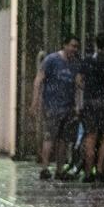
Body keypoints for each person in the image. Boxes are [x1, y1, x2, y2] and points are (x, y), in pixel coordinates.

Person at [31, 35, 82, 180]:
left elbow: (78, 85)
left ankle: (60, 170)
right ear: (64, 45)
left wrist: (78, 104)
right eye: (72, 46)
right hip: (52, 106)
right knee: (49, 137)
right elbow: (39, 79)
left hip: (68, 107)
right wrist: (35, 101)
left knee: (63, 140)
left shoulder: (75, 63)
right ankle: (45, 168)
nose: (74, 49)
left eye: (76, 46)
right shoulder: (52, 60)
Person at [79, 34, 104, 183]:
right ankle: (100, 169)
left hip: (89, 101)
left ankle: (88, 173)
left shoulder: (87, 59)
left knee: (90, 136)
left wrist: (88, 89)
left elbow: (79, 80)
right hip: (103, 101)